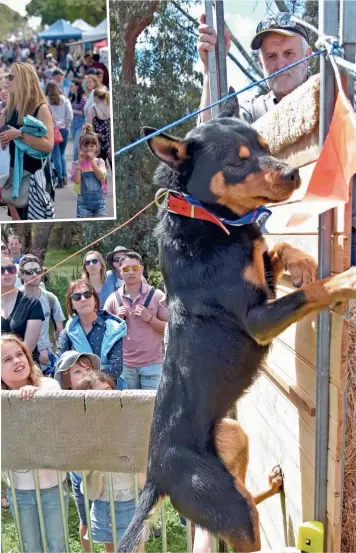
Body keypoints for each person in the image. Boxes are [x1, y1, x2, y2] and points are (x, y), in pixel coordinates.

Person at [1, 334, 68, 553]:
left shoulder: (48, 385)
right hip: (20, 489)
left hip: (53, 486)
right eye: (7, 359)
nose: (17, 360)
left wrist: (35, 395)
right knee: (30, 545)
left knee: (57, 544)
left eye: (19, 354)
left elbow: (56, 408)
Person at [198, 12, 312, 124]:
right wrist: (211, 68)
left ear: (307, 56)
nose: (280, 65)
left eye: (288, 53)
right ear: (262, 64)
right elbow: (210, 135)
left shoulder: (327, 98)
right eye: (271, 56)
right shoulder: (252, 113)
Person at [75, 371, 136, 553]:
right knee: (109, 544)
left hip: (129, 495)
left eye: (110, 390)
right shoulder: (84, 429)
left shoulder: (127, 420)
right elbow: (80, 469)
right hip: (102, 498)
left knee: (135, 545)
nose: (108, 397)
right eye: (100, 394)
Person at [104, 252, 168, 390]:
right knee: (129, 410)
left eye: (135, 268)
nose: (131, 272)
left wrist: (150, 318)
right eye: (126, 269)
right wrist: (117, 322)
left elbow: (170, 329)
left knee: (151, 408)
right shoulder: (112, 299)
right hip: (124, 365)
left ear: (142, 269)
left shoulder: (157, 296)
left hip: (153, 364)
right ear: (120, 272)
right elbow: (105, 336)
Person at [0, 62, 54, 220]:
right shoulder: (10, 108)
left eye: (11, 76)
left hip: (35, 178)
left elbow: (49, 145)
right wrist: (4, 139)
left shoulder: (40, 108)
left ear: (23, 79)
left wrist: (19, 135)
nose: (6, 80)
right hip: (14, 176)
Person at [55, 279, 127, 389]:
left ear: (95, 299)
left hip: (110, 390)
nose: (83, 299)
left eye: (87, 294)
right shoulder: (67, 334)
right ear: (72, 304)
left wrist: (80, 373)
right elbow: (59, 367)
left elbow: (116, 368)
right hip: (80, 393)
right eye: (77, 297)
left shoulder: (113, 328)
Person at [18, 254, 65, 374]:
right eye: (29, 271)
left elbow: (60, 332)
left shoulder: (51, 298)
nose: (34, 275)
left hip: (46, 361)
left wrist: (59, 356)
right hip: (20, 360)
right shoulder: (14, 300)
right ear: (21, 274)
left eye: (37, 271)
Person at [1, 254, 44, 363]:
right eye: (1, 270)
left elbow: (28, 347)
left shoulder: (32, 303)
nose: (7, 273)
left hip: (25, 366)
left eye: (11, 269)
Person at [71, 124, 108, 218]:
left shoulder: (100, 162)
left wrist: (91, 161)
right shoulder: (76, 164)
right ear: (80, 147)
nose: (89, 148)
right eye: (86, 145)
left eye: (92, 145)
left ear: (96, 147)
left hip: (99, 203)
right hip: (83, 204)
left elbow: (101, 176)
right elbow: (76, 180)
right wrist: (79, 164)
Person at [46, 81, 73, 188]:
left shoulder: (46, 100)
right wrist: (67, 125)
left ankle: (59, 178)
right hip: (64, 129)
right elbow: (70, 114)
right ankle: (64, 175)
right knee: (62, 154)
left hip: (52, 130)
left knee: (55, 154)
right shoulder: (64, 99)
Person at [86, 88, 111, 167]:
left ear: (96, 97)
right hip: (109, 141)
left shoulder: (93, 109)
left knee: (100, 169)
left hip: (98, 141)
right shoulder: (110, 107)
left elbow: (89, 127)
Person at [69, 78, 87, 162]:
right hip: (73, 123)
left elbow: (85, 113)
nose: (70, 88)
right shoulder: (71, 99)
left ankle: (76, 167)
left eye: (72, 86)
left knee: (76, 148)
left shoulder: (83, 99)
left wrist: (74, 111)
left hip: (80, 123)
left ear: (77, 87)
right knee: (77, 147)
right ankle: (79, 166)